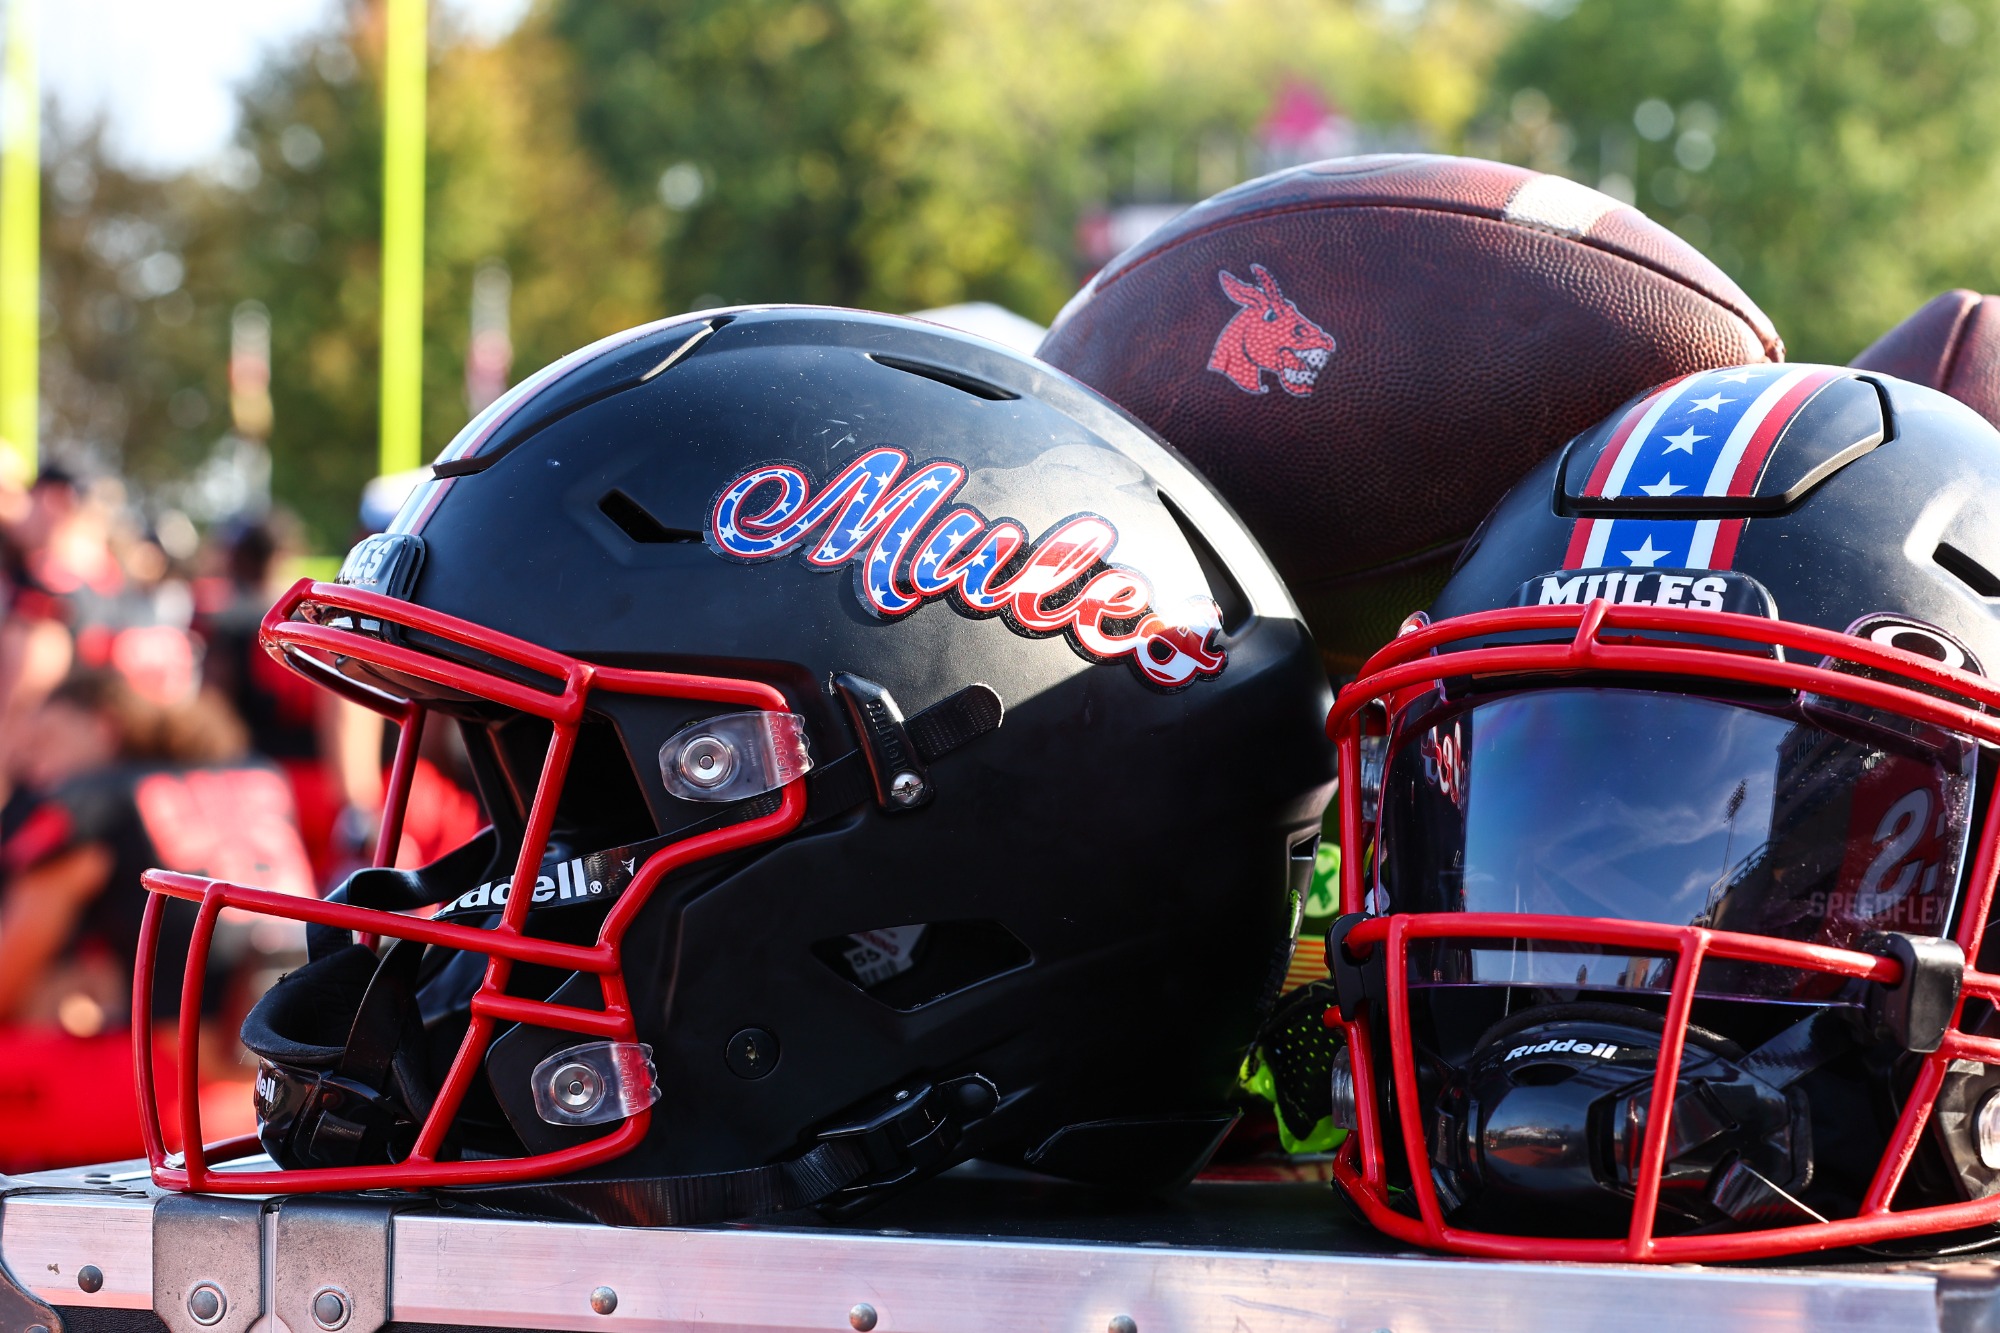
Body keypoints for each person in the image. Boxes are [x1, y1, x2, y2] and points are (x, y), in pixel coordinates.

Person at [0, 668, 315, 1170]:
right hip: (294, 1086)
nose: (31, 766)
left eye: (46, 741)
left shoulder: (94, 799)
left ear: (103, 729)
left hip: (182, 1100)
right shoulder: (253, 773)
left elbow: (8, 977)